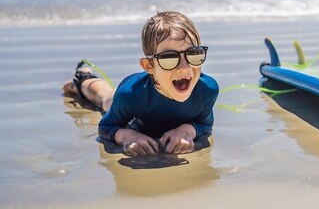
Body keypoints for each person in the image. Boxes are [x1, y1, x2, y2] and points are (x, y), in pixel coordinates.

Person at [63, 11, 219, 157]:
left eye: (193, 54)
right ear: (149, 66)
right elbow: (105, 127)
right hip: (137, 93)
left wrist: (187, 130)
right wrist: (128, 136)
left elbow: (204, 124)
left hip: (151, 89)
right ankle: (84, 78)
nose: (185, 67)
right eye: (169, 58)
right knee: (106, 98)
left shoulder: (206, 90)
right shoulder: (130, 95)